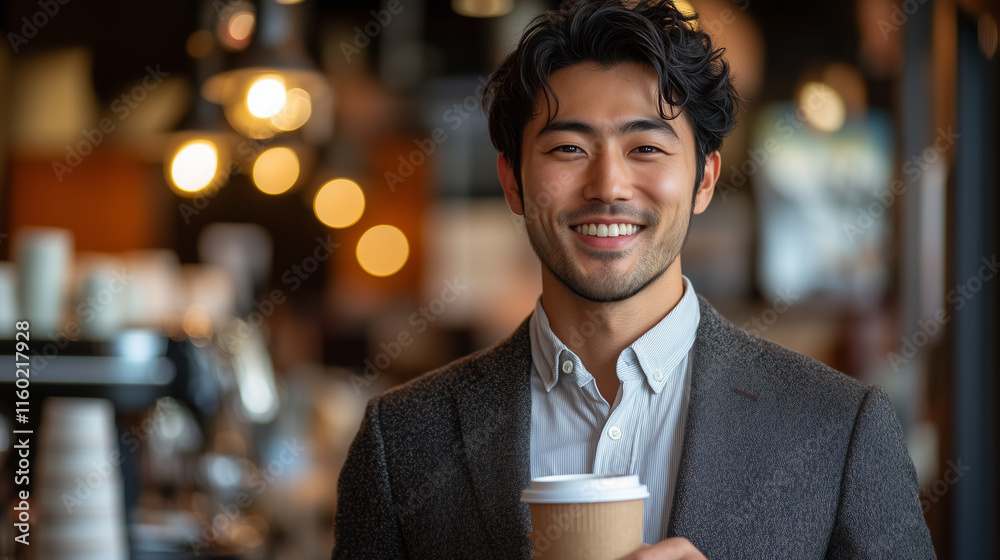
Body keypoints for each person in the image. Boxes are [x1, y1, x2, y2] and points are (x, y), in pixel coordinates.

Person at [332, 1, 936, 558]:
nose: (609, 187)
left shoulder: (838, 429)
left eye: (646, 147)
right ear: (513, 182)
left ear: (703, 180)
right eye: (568, 149)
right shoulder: (403, 441)